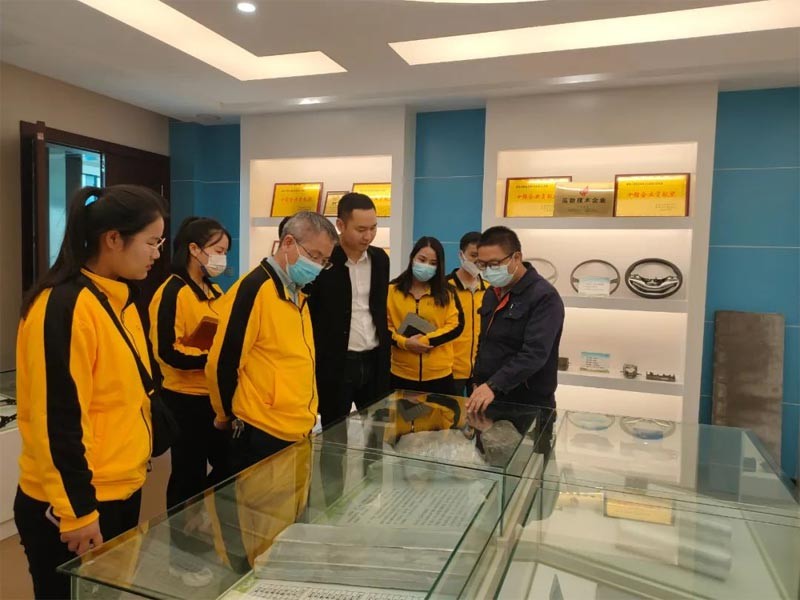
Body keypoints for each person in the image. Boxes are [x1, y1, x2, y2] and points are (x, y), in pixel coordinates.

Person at [14, 185, 166, 599]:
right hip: (75, 502)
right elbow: (56, 419)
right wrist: (77, 512)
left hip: (120, 487)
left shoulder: (119, 300)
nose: (156, 254)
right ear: (113, 239)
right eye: (151, 242)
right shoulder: (63, 306)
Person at [206, 211, 338, 472]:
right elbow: (223, 361)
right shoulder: (255, 288)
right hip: (262, 427)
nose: (317, 266)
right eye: (313, 256)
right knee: (260, 498)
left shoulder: (297, 293)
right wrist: (225, 416)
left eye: (324, 261)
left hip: (297, 426)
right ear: (288, 243)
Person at [148, 217, 231, 586]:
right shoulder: (172, 291)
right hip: (183, 399)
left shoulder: (213, 290)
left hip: (214, 398)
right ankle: (180, 557)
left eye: (225, 252)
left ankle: (203, 526)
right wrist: (213, 360)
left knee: (230, 465)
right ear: (194, 249)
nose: (222, 258)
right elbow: (167, 352)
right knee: (186, 476)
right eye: (217, 250)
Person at [307, 193, 391, 428]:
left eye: (373, 228)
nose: (368, 236)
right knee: (334, 433)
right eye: (361, 229)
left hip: (374, 359)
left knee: (377, 431)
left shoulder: (380, 259)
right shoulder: (324, 260)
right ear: (340, 225)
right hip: (337, 362)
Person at [468, 226, 564, 412]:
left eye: (494, 264)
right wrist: (477, 380)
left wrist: (494, 385)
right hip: (488, 396)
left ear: (517, 258)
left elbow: (535, 353)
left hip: (526, 402)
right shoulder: (491, 293)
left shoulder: (544, 296)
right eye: (482, 265)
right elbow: (485, 341)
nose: (488, 271)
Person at [387, 237, 464, 394]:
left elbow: (456, 326)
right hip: (401, 373)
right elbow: (384, 327)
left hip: (439, 375)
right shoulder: (391, 290)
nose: (426, 266)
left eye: (433, 263)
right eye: (422, 260)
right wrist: (405, 343)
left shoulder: (447, 292)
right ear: (412, 258)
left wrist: (425, 341)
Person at [446, 231, 487, 397]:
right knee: (448, 412)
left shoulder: (490, 290)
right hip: (449, 369)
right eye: (473, 255)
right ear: (461, 255)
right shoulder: (443, 288)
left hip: (480, 370)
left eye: (481, 257)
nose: (477, 261)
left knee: (479, 412)